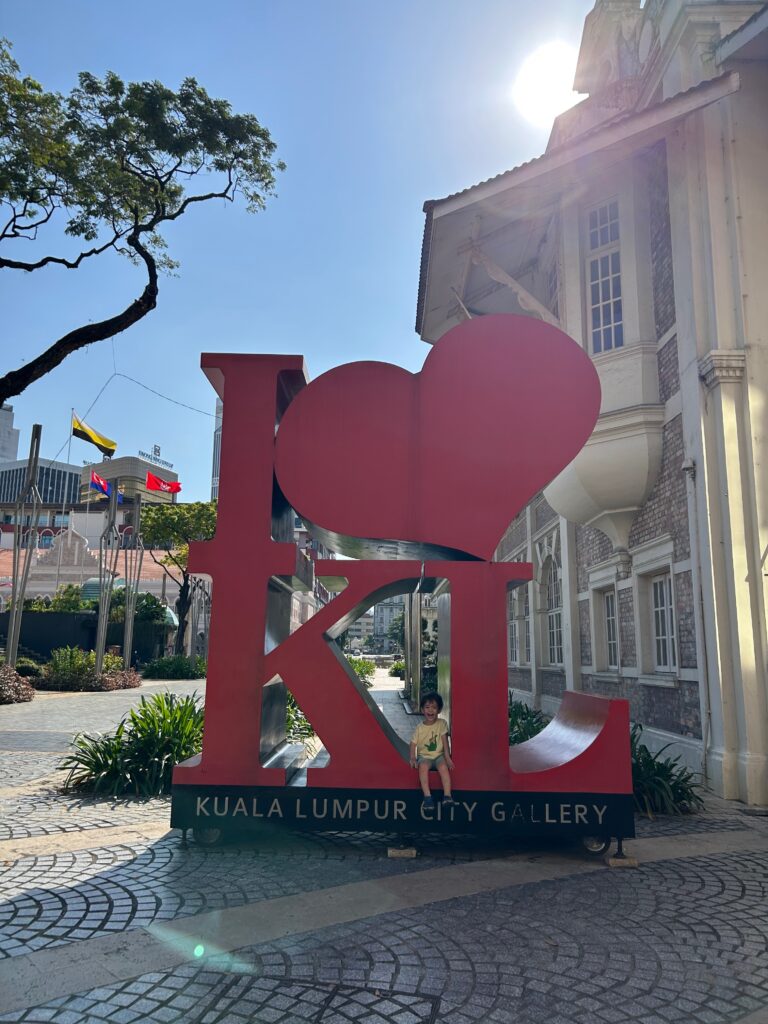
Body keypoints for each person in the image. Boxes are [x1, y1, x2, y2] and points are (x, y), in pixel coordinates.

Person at [409, 691, 455, 809]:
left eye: (434, 707)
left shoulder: (442, 724)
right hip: (424, 757)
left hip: (439, 756)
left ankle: (447, 796)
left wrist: (448, 757)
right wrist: (413, 758)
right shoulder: (420, 728)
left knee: (444, 768)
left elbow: (445, 742)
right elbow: (413, 744)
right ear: (423, 710)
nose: (430, 710)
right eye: (427, 707)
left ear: (439, 710)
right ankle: (427, 797)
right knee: (423, 767)